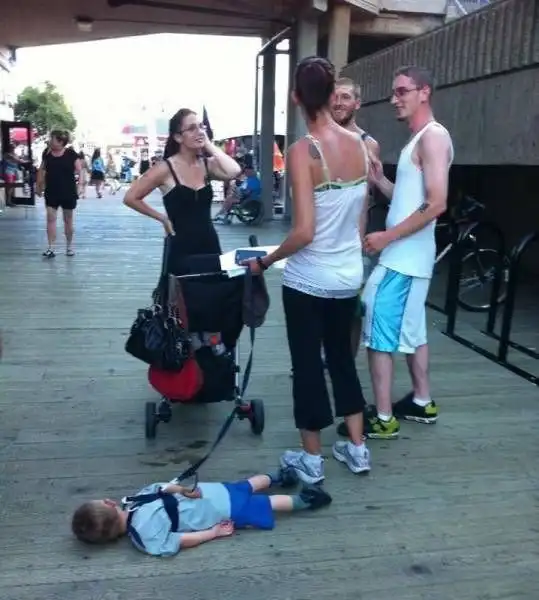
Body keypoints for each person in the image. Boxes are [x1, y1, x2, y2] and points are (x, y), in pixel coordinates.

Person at [243, 56, 371, 483]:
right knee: (342, 358)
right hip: (348, 275)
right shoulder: (361, 144)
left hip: (309, 280)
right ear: (333, 93)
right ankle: (357, 448)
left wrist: (265, 261)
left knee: (307, 364)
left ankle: (312, 460)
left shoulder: (303, 151)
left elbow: (303, 232)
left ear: (296, 97)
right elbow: (359, 214)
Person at [360, 65, 454, 439]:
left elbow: (436, 203)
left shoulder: (433, 137)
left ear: (424, 92)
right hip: (411, 259)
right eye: (393, 92)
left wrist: (387, 237)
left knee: (376, 328)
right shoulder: (419, 139)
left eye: (402, 91)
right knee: (412, 330)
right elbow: (409, 198)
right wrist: (380, 180)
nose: (394, 99)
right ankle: (421, 401)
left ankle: (384, 419)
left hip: (402, 260)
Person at [71, 466, 332, 556]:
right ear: (110, 503)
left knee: (267, 504)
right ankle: (279, 478)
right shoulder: (137, 498)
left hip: (218, 511)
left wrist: (212, 532)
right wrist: (186, 491)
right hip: (210, 493)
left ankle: (304, 500)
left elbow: (182, 540)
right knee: (246, 485)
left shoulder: (145, 540)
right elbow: (167, 487)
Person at [330, 77, 382, 360]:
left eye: (346, 97)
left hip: (352, 239)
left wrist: (359, 243)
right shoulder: (319, 140)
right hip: (321, 237)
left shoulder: (368, 144)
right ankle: (320, 356)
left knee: (352, 307)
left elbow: (364, 199)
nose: (338, 102)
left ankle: (345, 362)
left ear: (357, 104)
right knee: (319, 303)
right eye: (335, 97)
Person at [36, 131, 81, 258]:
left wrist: (81, 185)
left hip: (68, 192)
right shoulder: (47, 153)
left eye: (52, 139)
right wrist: (38, 185)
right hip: (51, 191)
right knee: (50, 218)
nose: (50, 141)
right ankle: (51, 248)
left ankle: (69, 247)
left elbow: (80, 170)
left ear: (61, 142)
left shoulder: (71, 154)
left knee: (68, 220)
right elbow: (41, 170)